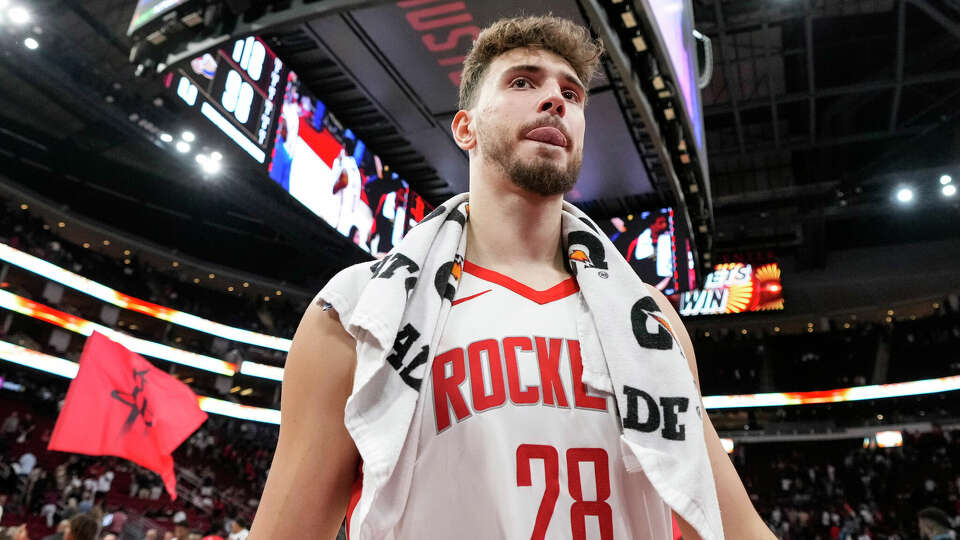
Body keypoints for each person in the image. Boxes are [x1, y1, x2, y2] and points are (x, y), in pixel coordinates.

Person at [249, 15, 774, 540]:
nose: (555, 100)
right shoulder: (356, 311)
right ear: (465, 127)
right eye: (523, 82)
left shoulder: (652, 323)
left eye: (572, 92)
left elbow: (738, 530)